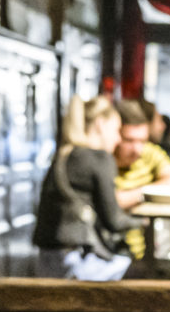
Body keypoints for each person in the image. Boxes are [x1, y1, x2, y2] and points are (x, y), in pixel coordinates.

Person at [33, 96, 140, 280]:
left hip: (45, 262)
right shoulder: (99, 158)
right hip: (77, 263)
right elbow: (114, 221)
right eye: (115, 130)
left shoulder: (63, 155)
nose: (117, 139)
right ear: (100, 124)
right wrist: (142, 220)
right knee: (142, 274)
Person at [112, 99, 170, 260]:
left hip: (141, 252)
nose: (137, 149)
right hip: (108, 253)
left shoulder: (148, 153)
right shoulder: (103, 158)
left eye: (142, 140)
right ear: (114, 134)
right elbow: (112, 202)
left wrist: (142, 192)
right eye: (129, 140)